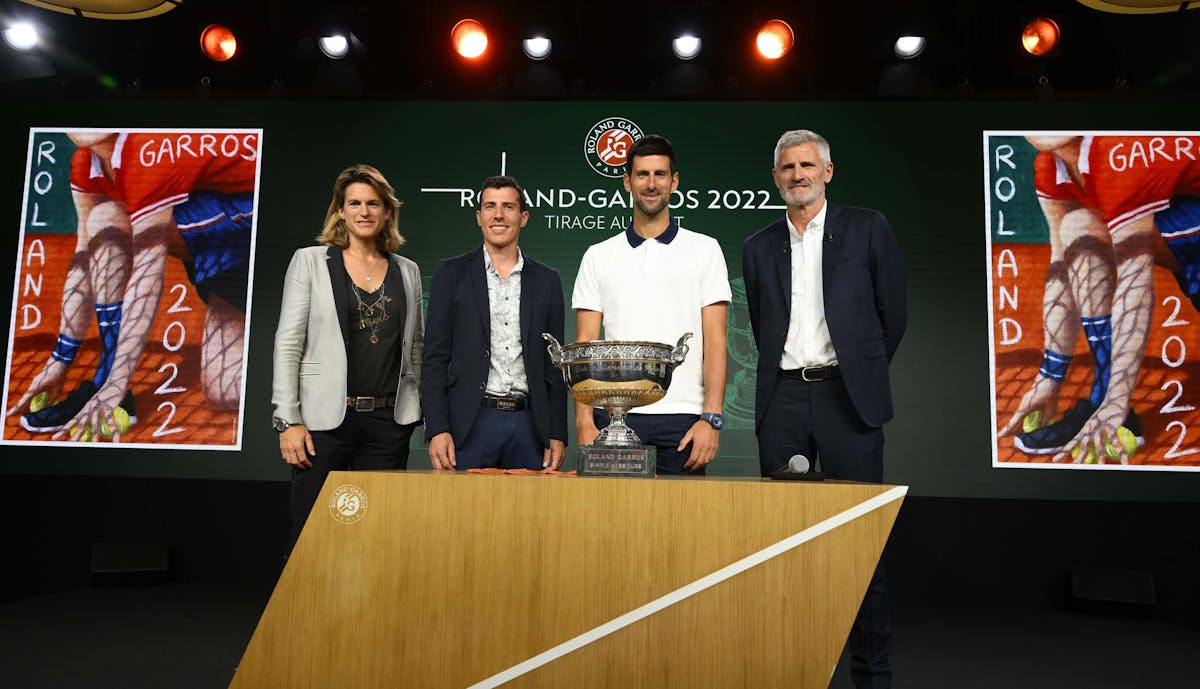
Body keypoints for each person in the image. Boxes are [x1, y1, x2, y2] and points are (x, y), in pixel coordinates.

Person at [742, 129, 906, 689]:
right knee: (782, 547)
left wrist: (858, 372)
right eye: (787, 167)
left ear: (828, 172)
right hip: (783, 400)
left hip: (848, 400)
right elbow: (765, 325)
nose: (798, 174)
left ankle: (872, 677)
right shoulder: (758, 246)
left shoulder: (867, 228)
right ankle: (791, 672)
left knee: (861, 547)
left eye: (807, 165)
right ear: (776, 178)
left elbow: (892, 316)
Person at [8, 131, 257, 439]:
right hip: (222, 240)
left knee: (231, 391)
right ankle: (105, 377)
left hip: (261, 231)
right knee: (105, 219)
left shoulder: (149, 150)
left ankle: (110, 382)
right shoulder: (87, 161)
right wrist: (61, 359)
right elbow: (84, 256)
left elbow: (146, 275)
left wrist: (117, 384)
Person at [1001, 135, 1200, 463]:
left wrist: (1116, 405)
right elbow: (1061, 267)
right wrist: (1050, 375)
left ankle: (1111, 403)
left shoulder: (1119, 153)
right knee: (1077, 230)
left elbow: (1134, 285)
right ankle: (1103, 396)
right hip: (1185, 239)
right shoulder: (1051, 167)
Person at [271, 164, 423, 552]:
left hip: (389, 422)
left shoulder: (408, 271)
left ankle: (371, 614)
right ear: (340, 210)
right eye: (353, 203)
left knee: (379, 537)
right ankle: (304, 613)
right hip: (324, 422)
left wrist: (418, 409)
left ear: (388, 211)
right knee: (310, 534)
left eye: (374, 203)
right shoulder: (309, 261)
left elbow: (416, 347)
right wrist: (288, 419)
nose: (364, 211)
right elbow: (289, 342)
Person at [572, 134, 730, 475]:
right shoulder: (598, 256)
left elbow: (716, 342)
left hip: (685, 419)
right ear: (627, 181)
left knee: (681, 526)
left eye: (660, 174)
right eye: (642, 174)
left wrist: (711, 419)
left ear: (674, 181)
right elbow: (584, 346)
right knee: (610, 526)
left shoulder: (705, 250)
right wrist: (584, 421)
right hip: (612, 418)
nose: (651, 184)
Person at [421, 176, 567, 471]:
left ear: (523, 217)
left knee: (528, 517)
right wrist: (437, 428)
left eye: (508, 207)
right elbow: (434, 358)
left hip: (529, 425)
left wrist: (557, 432)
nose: (498, 215)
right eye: (490, 206)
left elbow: (555, 365)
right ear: (479, 217)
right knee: (464, 515)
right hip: (469, 424)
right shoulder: (451, 273)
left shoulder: (547, 280)